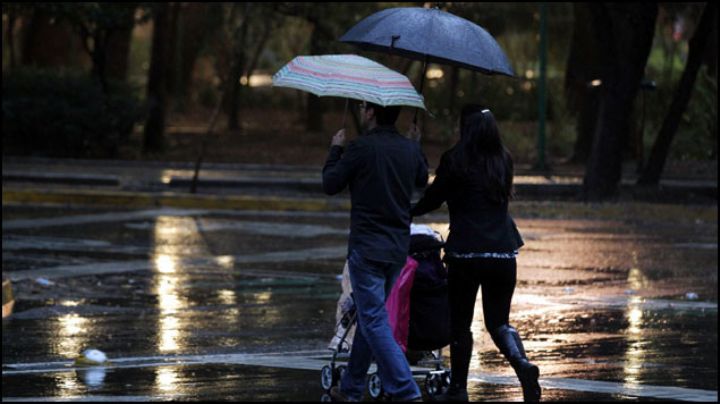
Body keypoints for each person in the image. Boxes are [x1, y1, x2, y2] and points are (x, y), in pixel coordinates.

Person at [411, 104, 541, 402]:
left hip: (467, 254)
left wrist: (406, 212)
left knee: (460, 324)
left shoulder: (455, 160)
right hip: (503, 253)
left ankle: (458, 390)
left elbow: (432, 199)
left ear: (464, 128)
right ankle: (522, 364)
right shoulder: (503, 160)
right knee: (499, 323)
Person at [323, 101, 428, 402]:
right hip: (396, 248)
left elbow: (330, 183)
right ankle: (352, 388)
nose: (360, 109)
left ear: (371, 112)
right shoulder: (408, 149)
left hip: (367, 248)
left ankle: (406, 391)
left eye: (364, 107)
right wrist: (416, 145)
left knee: (373, 321)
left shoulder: (360, 148)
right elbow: (421, 179)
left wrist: (335, 149)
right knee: (370, 318)